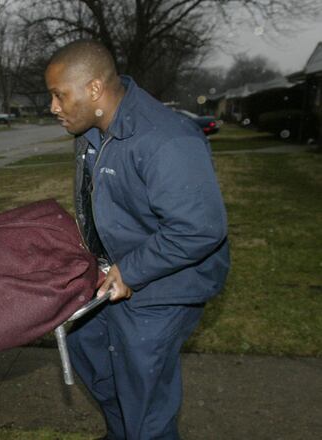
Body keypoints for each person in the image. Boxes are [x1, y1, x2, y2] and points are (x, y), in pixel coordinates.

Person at [44, 40, 230, 439]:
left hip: (167, 282)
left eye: (60, 95)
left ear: (94, 89)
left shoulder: (166, 139)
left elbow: (200, 228)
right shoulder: (93, 130)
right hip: (116, 269)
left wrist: (132, 269)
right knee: (88, 350)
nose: (53, 107)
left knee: (142, 394)